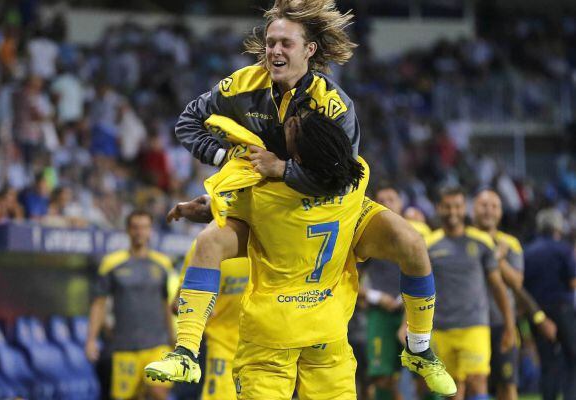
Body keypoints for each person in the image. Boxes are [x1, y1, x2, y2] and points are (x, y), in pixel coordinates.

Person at [152, 0, 451, 396]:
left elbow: (339, 178)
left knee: (411, 242)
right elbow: (189, 121)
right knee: (207, 242)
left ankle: (419, 348)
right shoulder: (242, 85)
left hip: (329, 203)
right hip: (266, 205)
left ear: (309, 50)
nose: (274, 51)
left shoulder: (335, 105)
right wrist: (225, 157)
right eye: (270, 42)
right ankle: (186, 352)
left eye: (285, 44)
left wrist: (282, 170)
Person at [426, 187, 516, 400]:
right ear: (439, 208)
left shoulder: (481, 242)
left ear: (464, 208)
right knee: (450, 390)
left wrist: (510, 326)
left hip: (475, 325)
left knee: (477, 382)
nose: (452, 211)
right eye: (447, 206)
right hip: (441, 327)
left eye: (457, 206)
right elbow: (419, 288)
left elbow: (498, 287)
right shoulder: (429, 244)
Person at [472, 189, 557, 400]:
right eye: (484, 205)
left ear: (501, 212)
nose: (488, 211)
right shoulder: (464, 239)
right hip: (470, 323)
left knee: (507, 385)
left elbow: (516, 282)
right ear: (473, 208)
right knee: (470, 384)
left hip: (502, 323)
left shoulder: (510, 244)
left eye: (494, 206)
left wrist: (497, 258)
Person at [86, 211, 176, 400]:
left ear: (150, 231)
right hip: (125, 347)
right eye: (135, 227)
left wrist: (174, 338)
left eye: (144, 227)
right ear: (127, 230)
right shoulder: (111, 264)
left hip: (157, 345)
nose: (139, 232)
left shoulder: (163, 263)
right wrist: (91, 340)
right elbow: (99, 304)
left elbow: (166, 304)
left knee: (158, 391)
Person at [359, 185, 430, 400]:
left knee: (424, 375)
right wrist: (376, 297)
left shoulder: (416, 234)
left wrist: (404, 298)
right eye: (382, 200)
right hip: (379, 315)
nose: (387, 203)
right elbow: (348, 278)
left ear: (401, 203)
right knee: (382, 376)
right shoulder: (366, 237)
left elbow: (429, 273)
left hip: (413, 312)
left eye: (392, 198)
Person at [179, 241, 249, 400]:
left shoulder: (263, 238)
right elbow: (178, 303)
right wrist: (198, 310)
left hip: (259, 345)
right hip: (220, 344)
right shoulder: (206, 244)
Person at [523, 209, 576, 400]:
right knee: (572, 357)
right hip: (563, 309)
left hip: (537, 312)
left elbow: (523, 286)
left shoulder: (528, 251)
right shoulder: (563, 249)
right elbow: (572, 282)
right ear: (557, 227)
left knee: (547, 362)